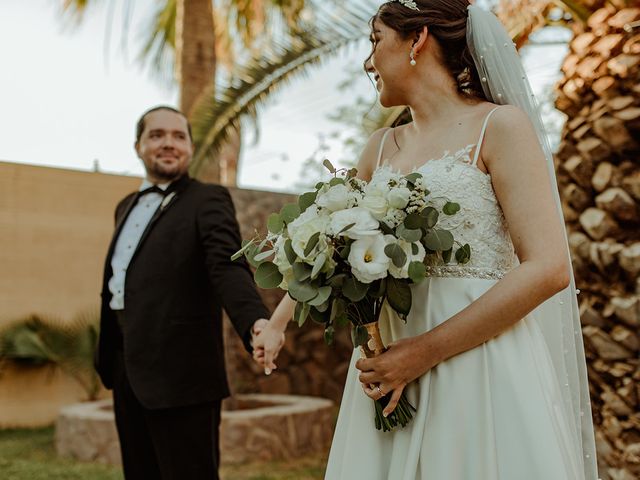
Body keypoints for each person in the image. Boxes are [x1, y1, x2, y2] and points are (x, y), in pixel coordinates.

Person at [251, 1, 598, 479]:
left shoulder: (499, 128)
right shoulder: (380, 147)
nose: (368, 62)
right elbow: (331, 244)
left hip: (478, 364)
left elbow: (548, 268)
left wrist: (422, 353)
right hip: (387, 363)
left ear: (418, 39)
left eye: (375, 41)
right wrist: (277, 322)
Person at [95, 105, 271, 480]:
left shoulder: (207, 199)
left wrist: (254, 321)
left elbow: (226, 264)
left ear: (190, 148)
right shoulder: (124, 207)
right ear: (138, 146)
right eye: (156, 135)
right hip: (126, 369)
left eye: (178, 136)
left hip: (183, 374)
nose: (168, 143)